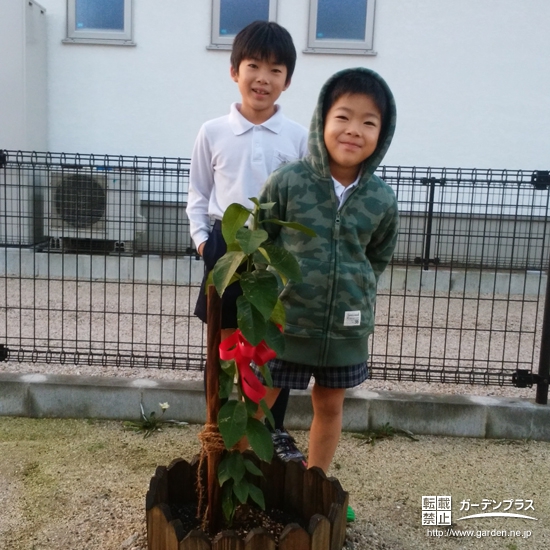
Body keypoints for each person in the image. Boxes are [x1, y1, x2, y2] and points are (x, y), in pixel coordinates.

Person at [253, 67, 399, 478]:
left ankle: (314, 481)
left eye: (368, 122)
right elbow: (260, 243)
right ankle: (248, 477)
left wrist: (356, 289)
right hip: (285, 323)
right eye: (343, 117)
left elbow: (376, 258)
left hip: (345, 330)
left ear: (382, 134)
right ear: (322, 121)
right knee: (258, 400)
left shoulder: (382, 199)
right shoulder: (288, 183)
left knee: (330, 405)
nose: (354, 130)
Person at [186, 20, 308, 462]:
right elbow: (198, 194)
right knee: (224, 342)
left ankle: (269, 432)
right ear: (234, 71)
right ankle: (217, 427)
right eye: (253, 65)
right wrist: (204, 242)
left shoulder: (297, 137)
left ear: (287, 81)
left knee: (274, 345)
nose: (263, 77)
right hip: (226, 245)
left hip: (274, 250)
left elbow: (303, 200)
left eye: (275, 70)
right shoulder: (213, 131)